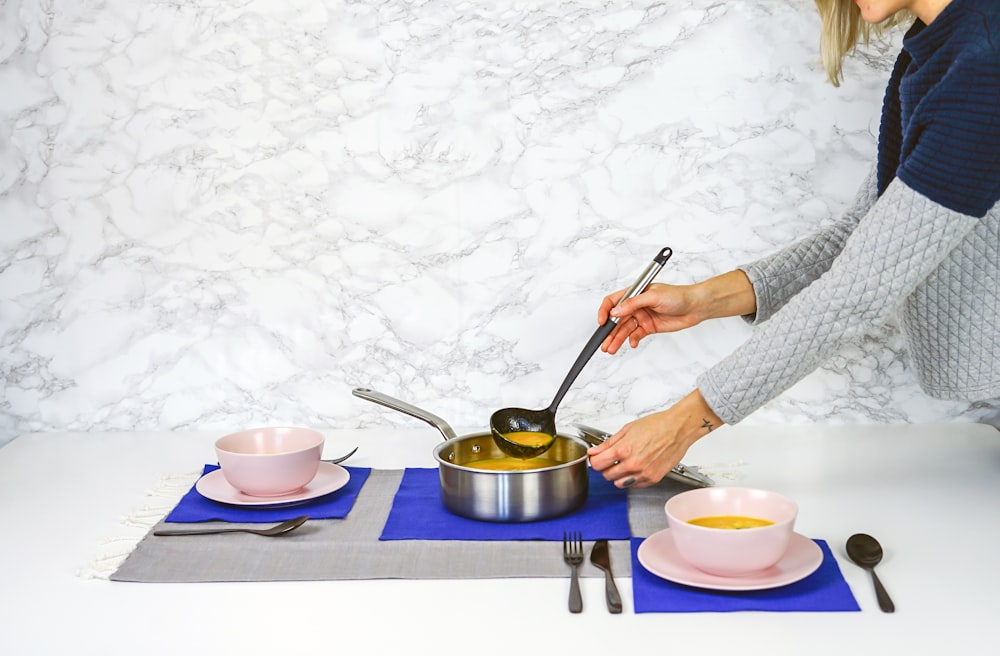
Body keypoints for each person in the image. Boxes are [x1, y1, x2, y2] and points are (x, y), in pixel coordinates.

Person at [587, 0, 1000, 489]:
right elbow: (866, 235)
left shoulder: (983, 64)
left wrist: (685, 423)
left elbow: (860, 288)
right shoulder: (937, 49)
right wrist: (703, 300)